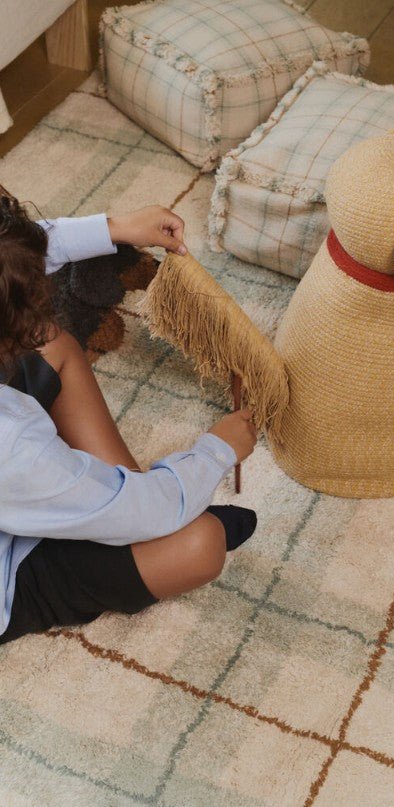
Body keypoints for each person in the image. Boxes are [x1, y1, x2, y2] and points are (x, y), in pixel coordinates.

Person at [0, 194, 257, 645]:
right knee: (199, 544)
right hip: (11, 570)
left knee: (51, 343)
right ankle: (127, 510)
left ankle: (127, 498)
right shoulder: (12, 445)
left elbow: (12, 260)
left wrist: (114, 228)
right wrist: (216, 452)